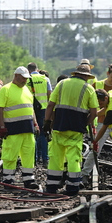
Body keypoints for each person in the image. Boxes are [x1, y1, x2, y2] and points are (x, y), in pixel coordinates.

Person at [43, 64, 98, 195]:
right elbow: (94, 112)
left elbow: (50, 104)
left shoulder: (61, 84)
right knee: (73, 158)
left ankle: (51, 187)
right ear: (86, 76)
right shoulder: (89, 89)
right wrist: (85, 123)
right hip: (76, 128)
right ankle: (72, 187)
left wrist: (47, 122)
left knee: (56, 157)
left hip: (58, 126)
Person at [80, 64, 112, 184]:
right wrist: (92, 116)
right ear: (107, 74)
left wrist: (94, 114)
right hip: (102, 122)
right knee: (95, 149)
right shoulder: (97, 85)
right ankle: (85, 174)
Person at [0, 66, 39, 189]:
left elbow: (31, 108)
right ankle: (8, 181)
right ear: (16, 76)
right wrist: (2, 126)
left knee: (28, 154)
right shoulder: (5, 90)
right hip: (12, 130)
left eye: (26, 78)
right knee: (10, 155)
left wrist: (35, 123)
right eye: (23, 78)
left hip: (28, 129)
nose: (25, 81)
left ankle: (28, 180)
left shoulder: (27, 90)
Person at [27, 62, 52, 166]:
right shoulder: (45, 79)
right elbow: (50, 96)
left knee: (33, 133)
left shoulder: (27, 79)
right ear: (37, 69)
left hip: (30, 109)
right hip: (43, 109)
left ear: (28, 71)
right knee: (44, 133)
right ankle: (45, 160)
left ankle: (35, 159)